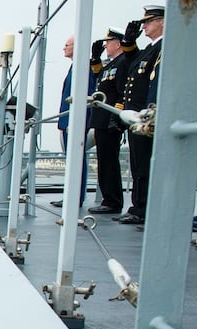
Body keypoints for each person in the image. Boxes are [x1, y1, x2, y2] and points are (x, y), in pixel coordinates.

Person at [115, 4, 164, 226]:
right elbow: (133, 64)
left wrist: (147, 114)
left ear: (162, 21)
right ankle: (138, 206)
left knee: (144, 166)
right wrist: (128, 43)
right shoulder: (150, 49)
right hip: (137, 117)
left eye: (148, 21)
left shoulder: (165, 48)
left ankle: (142, 208)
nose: (143, 26)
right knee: (138, 165)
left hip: (146, 117)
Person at [87, 25, 139, 215]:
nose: (106, 45)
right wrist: (95, 59)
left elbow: (121, 91)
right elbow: (100, 78)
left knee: (109, 161)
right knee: (104, 160)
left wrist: (117, 116)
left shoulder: (124, 62)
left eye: (108, 42)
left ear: (117, 44)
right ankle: (109, 199)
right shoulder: (112, 64)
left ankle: (112, 201)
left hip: (110, 119)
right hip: (102, 118)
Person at [52, 36, 96, 209]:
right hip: (68, 121)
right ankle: (72, 196)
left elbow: (87, 95)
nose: (64, 48)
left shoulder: (82, 67)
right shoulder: (75, 66)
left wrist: (76, 121)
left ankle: (75, 197)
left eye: (66, 45)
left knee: (77, 160)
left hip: (74, 121)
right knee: (73, 160)